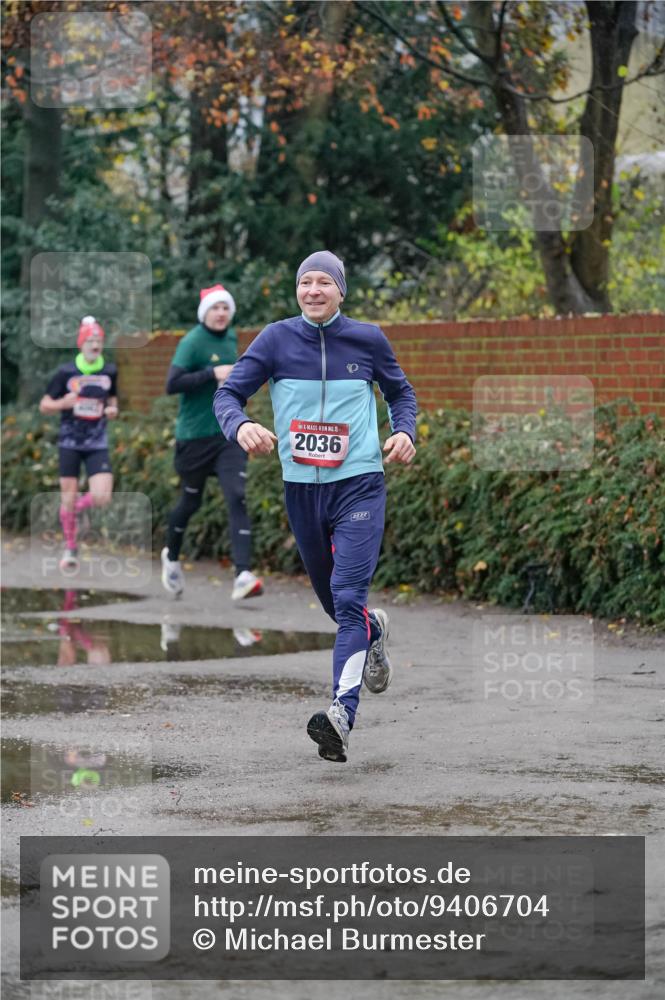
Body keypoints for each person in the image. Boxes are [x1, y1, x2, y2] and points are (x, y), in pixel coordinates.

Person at [214, 251, 416, 763]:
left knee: (347, 596)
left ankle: (340, 717)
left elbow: (401, 393)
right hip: (302, 489)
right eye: (305, 281)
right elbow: (228, 395)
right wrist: (241, 426)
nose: (314, 290)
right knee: (336, 606)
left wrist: (404, 431)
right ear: (297, 291)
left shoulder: (368, 339)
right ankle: (373, 631)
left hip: (359, 485)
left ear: (341, 290)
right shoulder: (275, 339)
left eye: (325, 281)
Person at [161, 283, 263, 601]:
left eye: (225, 309)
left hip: (227, 435)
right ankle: (172, 557)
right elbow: (172, 384)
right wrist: (211, 373)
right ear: (205, 313)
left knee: (237, 496)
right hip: (194, 438)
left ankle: (242, 575)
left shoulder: (231, 338)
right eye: (215, 309)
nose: (221, 314)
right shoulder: (192, 343)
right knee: (190, 502)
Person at [39, 316, 118, 572]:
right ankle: (71, 547)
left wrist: (112, 410)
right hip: (70, 441)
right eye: (90, 340)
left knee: (102, 496)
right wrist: (64, 403)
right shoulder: (65, 372)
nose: (95, 345)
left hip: (97, 441)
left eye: (99, 340)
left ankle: (78, 511)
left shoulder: (109, 370)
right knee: (68, 498)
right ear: (81, 344)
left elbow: (113, 400)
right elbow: (44, 405)